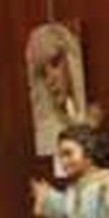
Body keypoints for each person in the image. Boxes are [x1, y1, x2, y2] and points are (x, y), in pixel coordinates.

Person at [25, 22, 87, 156]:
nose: (50, 80)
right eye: (43, 73)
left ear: (72, 60)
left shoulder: (87, 115)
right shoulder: (46, 134)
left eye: (55, 64)